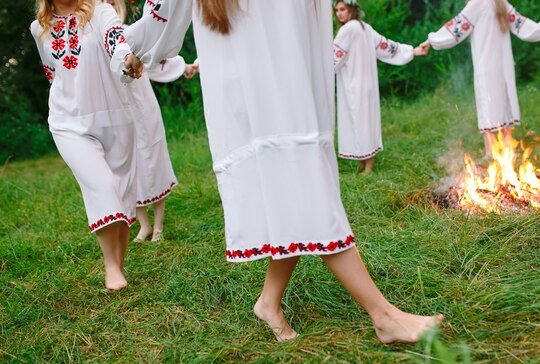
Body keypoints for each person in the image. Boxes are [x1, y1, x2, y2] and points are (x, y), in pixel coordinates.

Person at [122, 0, 442, 343]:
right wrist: (139, 49)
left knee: (291, 194)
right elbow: (167, 7)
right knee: (306, 185)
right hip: (253, 84)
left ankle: (269, 302)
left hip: (294, 72)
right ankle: (383, 315)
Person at [31, 0, 136, 290]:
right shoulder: (38, 28)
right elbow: (53, 73)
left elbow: (117, 42)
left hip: (115, 116)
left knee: (121, 190)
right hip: (68, 120)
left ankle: (119, 265)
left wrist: (127, 62)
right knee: (101, 186)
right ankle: (110, 266)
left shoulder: (101, 12)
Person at [102, 0, 199, 243]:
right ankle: (143, 225)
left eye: (111, 2)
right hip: (119, 112)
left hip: (144, 107)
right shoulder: (96, 42)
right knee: (129, 165)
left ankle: (158, 225)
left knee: (153, 159)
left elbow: (155, 60)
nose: (108, 5)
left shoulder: (130, 34)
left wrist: (183, 67)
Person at [421, 0, 540, 157]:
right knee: (503, 100)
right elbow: (521, 24)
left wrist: (431, 40)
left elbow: (455, 28)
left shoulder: (478, 3)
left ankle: (491, 151)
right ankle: (508, 147)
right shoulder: (499, 2)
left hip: (487, 64)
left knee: (487, 102)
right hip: (503, 63)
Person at [333, 0, 428, 174]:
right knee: (367, 122)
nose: (339, 13)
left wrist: (317, 74)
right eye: (337, 10)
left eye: (343, 9)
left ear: (352, 9)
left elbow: (334, 57)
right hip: (367, 84)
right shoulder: (365, 28)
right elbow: (387, 47)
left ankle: (367, 168)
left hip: (354, 85)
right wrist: (412, 51)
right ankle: (364, 165)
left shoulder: (348, 29)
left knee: (359, 123)